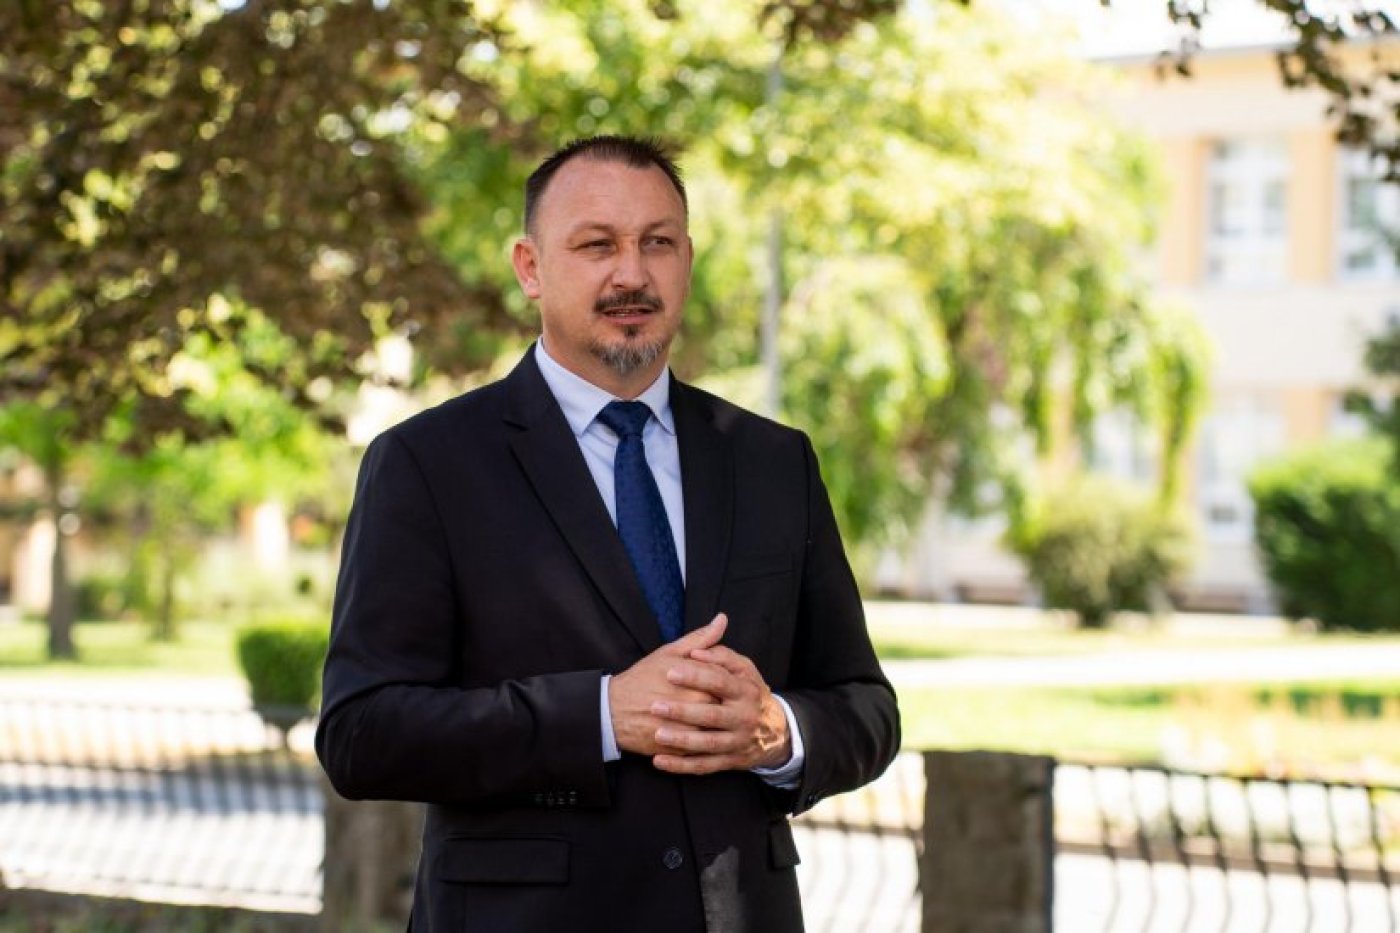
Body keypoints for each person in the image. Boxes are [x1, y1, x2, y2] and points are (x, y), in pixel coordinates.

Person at [316, 134, 900, 933]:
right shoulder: (427, 464)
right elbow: (362, 733)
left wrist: (775, 730)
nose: (632, 273)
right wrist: (598, 714)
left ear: (687, 259)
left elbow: (866, 707)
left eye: (657, 243)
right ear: (530, 267)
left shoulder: (773, 461)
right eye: (597, 245)